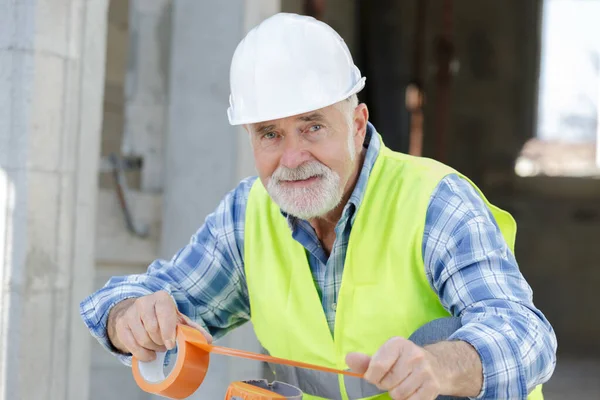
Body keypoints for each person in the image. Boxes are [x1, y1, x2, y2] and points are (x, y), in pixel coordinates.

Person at [80, 13, 557, 400]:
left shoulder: (436, 203)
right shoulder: (246, 218)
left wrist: (442, 365)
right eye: (270, 134)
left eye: (312, 127)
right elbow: (134, 299)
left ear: (356, 123)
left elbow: (526, 336)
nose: (292, 158)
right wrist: (129, 318)